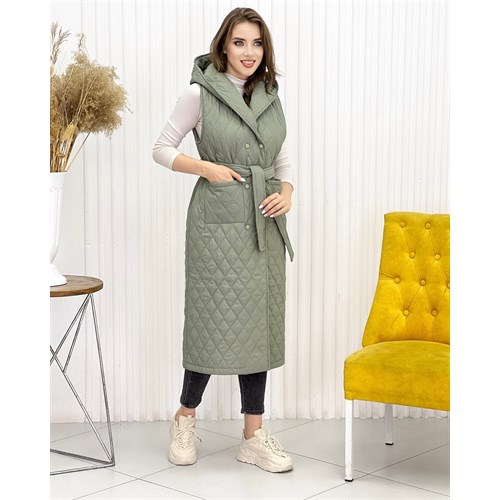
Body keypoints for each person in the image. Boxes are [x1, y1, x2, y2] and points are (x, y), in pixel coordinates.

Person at [152, 7, 295, 473]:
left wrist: (287, 193)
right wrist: (206, 168)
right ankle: (185, 416)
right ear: (223, 46)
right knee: (211, 321)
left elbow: (281, 157)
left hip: (263, 220)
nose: (249, 52)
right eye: (239, 42)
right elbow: (161, 148)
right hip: (215, 223)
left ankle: (253, 435)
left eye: (257, 43)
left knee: (257, 325)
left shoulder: (270, 95)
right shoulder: (199, 93)